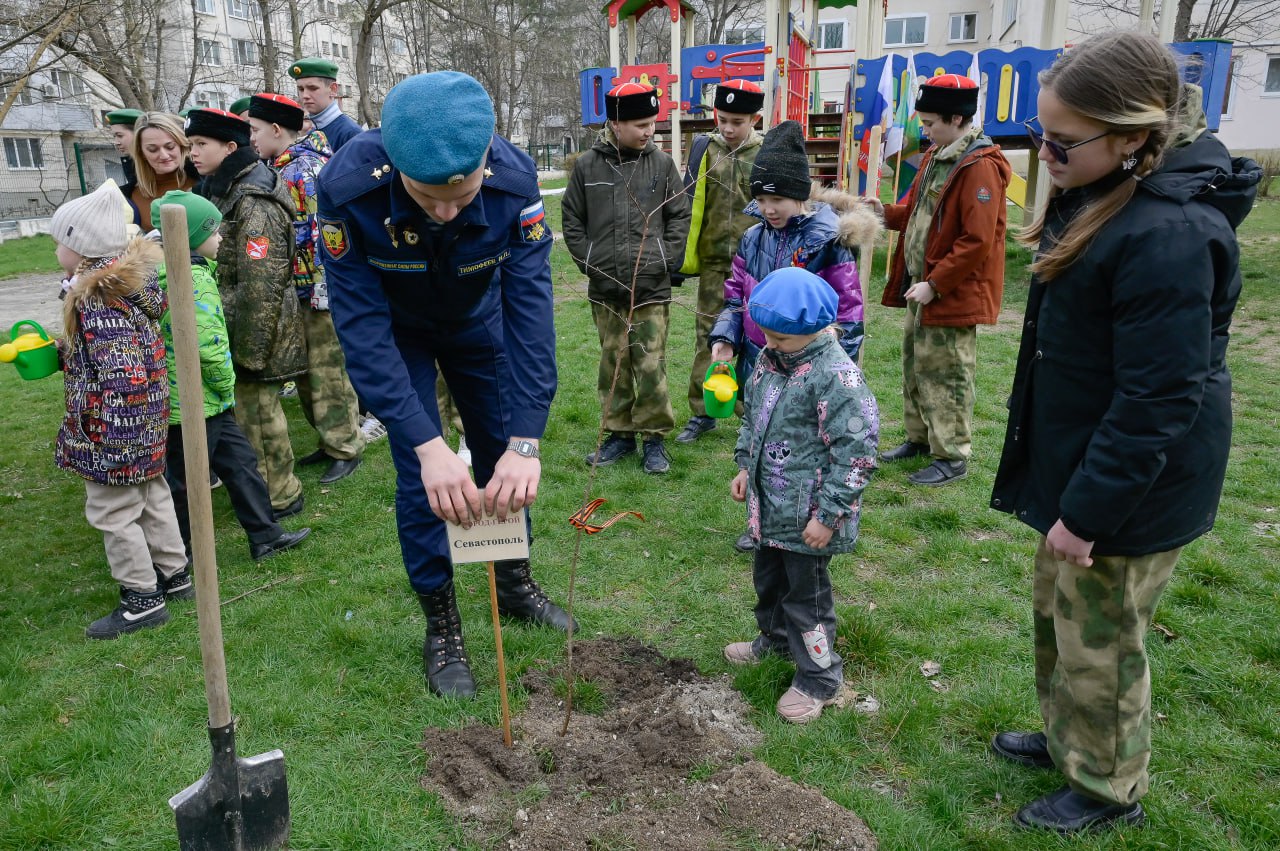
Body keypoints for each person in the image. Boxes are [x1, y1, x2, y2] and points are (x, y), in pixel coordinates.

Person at [988, 32, 1261, 834]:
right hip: (1087, 469)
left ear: (1136, 137)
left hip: (1132, 490)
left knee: (1102, 638)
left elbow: (1157, 399)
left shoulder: (1168, 237)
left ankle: (1108, 783)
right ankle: (1073, 736)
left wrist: (1090, 515)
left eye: (1063, 141)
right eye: (1041, 133)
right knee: (1062, 615)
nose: (1044, 153)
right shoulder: (1105, 193)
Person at [316, 71, 575, 700]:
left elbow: (531, 319)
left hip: (478, 323)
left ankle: (512, 582)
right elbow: (362, 330)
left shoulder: (515, 183)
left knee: (498, 453)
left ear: (485, 162)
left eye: (461, 196)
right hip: (398, 332)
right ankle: (443, 623)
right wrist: (427, 446)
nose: (446, 211)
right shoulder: (348, 189)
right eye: (430, 197)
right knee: (422, 474)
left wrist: (527, 441)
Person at [708, 119, 881, 551]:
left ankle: (820, 518)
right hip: (761, 356)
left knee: (803, 449)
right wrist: (727, 337)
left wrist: (839, 364)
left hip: (811, 367)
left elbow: (848, 309)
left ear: (800, 196)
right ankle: (761, 524)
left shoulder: (827, 240)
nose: (769, 208)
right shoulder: (751, 239)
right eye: (761, 199)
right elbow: (735, 295)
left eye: (778, 199)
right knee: (761, 438)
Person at [724, 267, 878, 723]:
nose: (770, 345)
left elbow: (858, 455)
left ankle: (819, 676)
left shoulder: (837, 379)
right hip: (770, 509)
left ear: (818, 330)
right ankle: (772, 640)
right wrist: (742, 465)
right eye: (766, 336)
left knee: (806, 599)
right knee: (768, 583)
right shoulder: (771, 364)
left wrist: (828, 515)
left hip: (810, 517)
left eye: (782, 339)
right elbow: (752, 417)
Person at [50, 181, 190, 639]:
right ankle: (175, 573)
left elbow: (118, 367)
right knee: (152, 494)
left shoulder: (97, 298)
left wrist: (102, 428)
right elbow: (117, 352)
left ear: (81, 247)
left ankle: (142, 598)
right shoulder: (125, 286)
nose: (56, 250)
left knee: (112, 509)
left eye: (60, 242)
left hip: (115, 424)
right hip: (146, 416)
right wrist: (66, 353)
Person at [150, 189, 312, 561]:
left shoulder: (186, 273)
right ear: (191, 237)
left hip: (211, 405)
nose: (222, 237)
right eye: (214, 232)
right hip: (191, 405)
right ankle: (176, 557)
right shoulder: (193, 281)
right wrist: (227, 383)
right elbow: (206, 345)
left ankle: (265, 536)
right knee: (185, 484)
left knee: (241, 466)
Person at [876, 75, 1011, 487]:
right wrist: (879, 212)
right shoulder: (938, 156)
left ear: (957, 118)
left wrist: (936, 284)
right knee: (916, 367)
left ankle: (951, 455)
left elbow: (977, 240)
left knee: (947, 373)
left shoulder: (979, 167)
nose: (924, 131)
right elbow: (916, 213)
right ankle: (919, 438)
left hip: (948, 294)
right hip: (922, 287)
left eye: (931, 122)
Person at [562, 82, 690, 474]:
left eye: (653, 123)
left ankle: (654, 439)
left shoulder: (663, 165)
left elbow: (679, 216)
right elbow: (571, 218)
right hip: (606, 289)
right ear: (615, 124)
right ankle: (618, 433)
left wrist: (664, 258)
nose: (649, 131)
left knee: (650, 362)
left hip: (651, 286)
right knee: (613, 362)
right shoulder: (587, 166)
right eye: (639, 124)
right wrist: (591, 261)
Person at [187, 108, 307, 520]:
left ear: (230, 146)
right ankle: (266, 491)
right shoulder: (222, 185)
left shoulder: (253, 198)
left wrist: (250, 353)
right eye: (192, 144)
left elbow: (262, 282)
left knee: (259, 416)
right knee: (248, 419)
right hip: (235, 323)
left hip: (256, 328)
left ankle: (281, 496)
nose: (193, 153)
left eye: (201, 144)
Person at [249, 92, 365, 484]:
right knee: (306, 373)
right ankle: (329, 441)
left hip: (316, 291)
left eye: (255, 130)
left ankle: (346, 447)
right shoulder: (280, 166)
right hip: (297, 290)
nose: (251, 138)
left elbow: (321, 238)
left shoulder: (304, 170)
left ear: (277, 129)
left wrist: (319, 290)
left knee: (326, 372)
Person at [674, 80, 764, 445]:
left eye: (737, 121)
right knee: (709, 337)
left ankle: (754, 410)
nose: (727, 128)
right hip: (713, 262)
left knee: (759, 339)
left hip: (757, 266)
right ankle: (703, 410)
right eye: (722, 119)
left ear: (755, 119)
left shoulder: (767, 153)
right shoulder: (705, 149)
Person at [127, 112, 198, 232]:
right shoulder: (130, 196)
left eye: (170, 147)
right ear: (141, 153)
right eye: (152, 149)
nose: (164, 156)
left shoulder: (203, 184)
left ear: (182, 145)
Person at [290, 58, 362, 152]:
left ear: (333, 89)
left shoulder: (351, 134)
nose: (305, 95)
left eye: (312, 88)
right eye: (301, 89)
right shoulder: (312, 132)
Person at [105, 108, 143, 187]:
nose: (116, 142)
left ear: (138, 133)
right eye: (114, 136)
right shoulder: (134, 162)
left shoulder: (155, 163)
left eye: (120, 136)